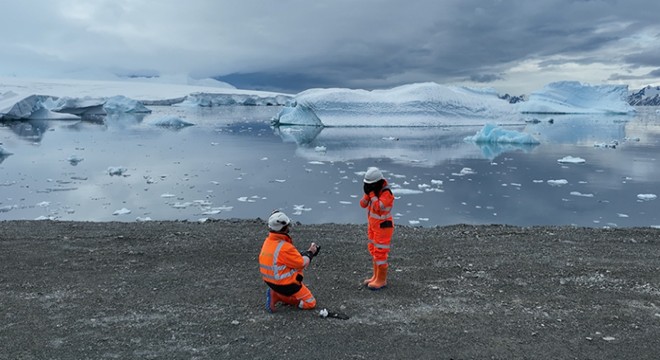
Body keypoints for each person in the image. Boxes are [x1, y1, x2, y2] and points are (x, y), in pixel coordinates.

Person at [259, 210, 321, 313]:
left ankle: (276, 292)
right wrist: (310, 253)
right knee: (310, 303)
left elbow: (284, 258)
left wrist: (304, 253)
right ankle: (279, 296)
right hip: (285, 285)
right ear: (284, 228)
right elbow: (302, 263)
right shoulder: (285, 247)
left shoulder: (268, 242)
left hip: (269, 281)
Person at [359, 167, 394, 290]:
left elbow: (379, 207)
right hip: (374, 226)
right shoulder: (373, 192)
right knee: (373, 250)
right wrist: (367, 195)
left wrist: (372, 195)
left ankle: (381, 280)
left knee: (380, 253)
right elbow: (362, 204)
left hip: (383, 227)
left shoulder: (386, 193)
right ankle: (375, 276)